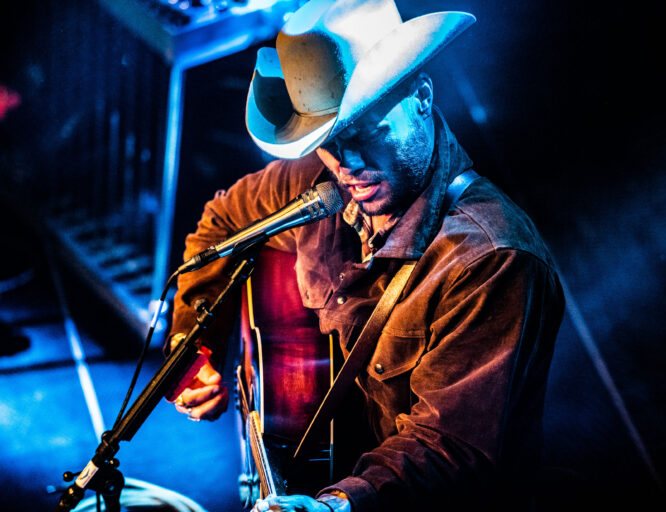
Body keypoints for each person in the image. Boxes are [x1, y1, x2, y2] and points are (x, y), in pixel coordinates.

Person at [166, 1, 565, 511]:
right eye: (329, 142)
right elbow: (223, 221)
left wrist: (336, 505)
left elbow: (449, 448)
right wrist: (195, 347)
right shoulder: (318, 179)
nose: (347, 166)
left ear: (421, 96)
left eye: (366, 132)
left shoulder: (491, 261)